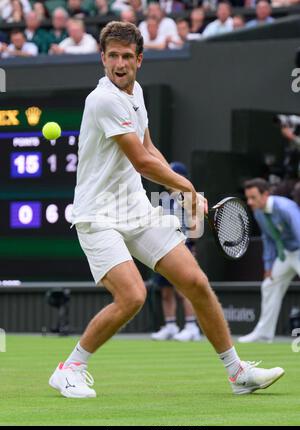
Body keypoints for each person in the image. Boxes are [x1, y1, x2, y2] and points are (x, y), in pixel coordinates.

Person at [49, 21, 284, 398]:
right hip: (97, 215)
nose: (120, 64)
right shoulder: (103, 99)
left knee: (196, 282)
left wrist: (180, 191)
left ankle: (237, 372)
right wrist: (186, 187)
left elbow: (149, 148)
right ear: (103, 58)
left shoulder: (136, 93)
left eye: (127, 56)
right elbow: (142, 162)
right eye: (113, 56)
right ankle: (70, 367)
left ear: (139, 60)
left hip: (136, 209)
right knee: (132, 297)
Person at [239, 178, 300, 343]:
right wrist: (268, 266)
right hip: (287, 253)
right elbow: (268, 239)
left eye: (253, 197)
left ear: (265, 195)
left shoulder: (286, 208)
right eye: (248, 198)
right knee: (269, 284)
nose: (250, 202)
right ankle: (265, 333)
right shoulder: (259, 212)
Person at [151, 162, 201, 341]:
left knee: (183, 289)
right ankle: (171, 325)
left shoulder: (188, 197)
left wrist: (192, 247)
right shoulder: (163, 198)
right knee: (165, 290)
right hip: (162, 247)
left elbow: (195, 225)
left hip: (183, 246)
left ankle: (191, 326)